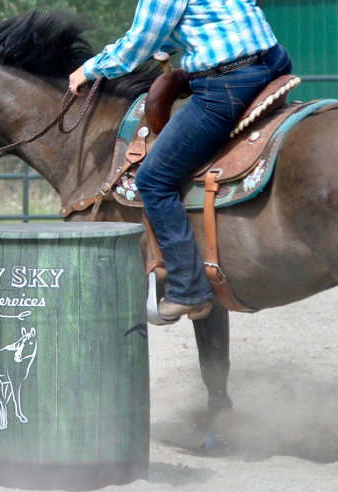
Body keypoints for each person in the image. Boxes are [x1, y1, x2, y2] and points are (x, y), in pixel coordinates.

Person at [69, 0, 291, 321]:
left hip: (229, 82)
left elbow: (137, 45)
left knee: (153, 180)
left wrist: (87, 70)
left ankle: (189, 289)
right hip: (274, 60)